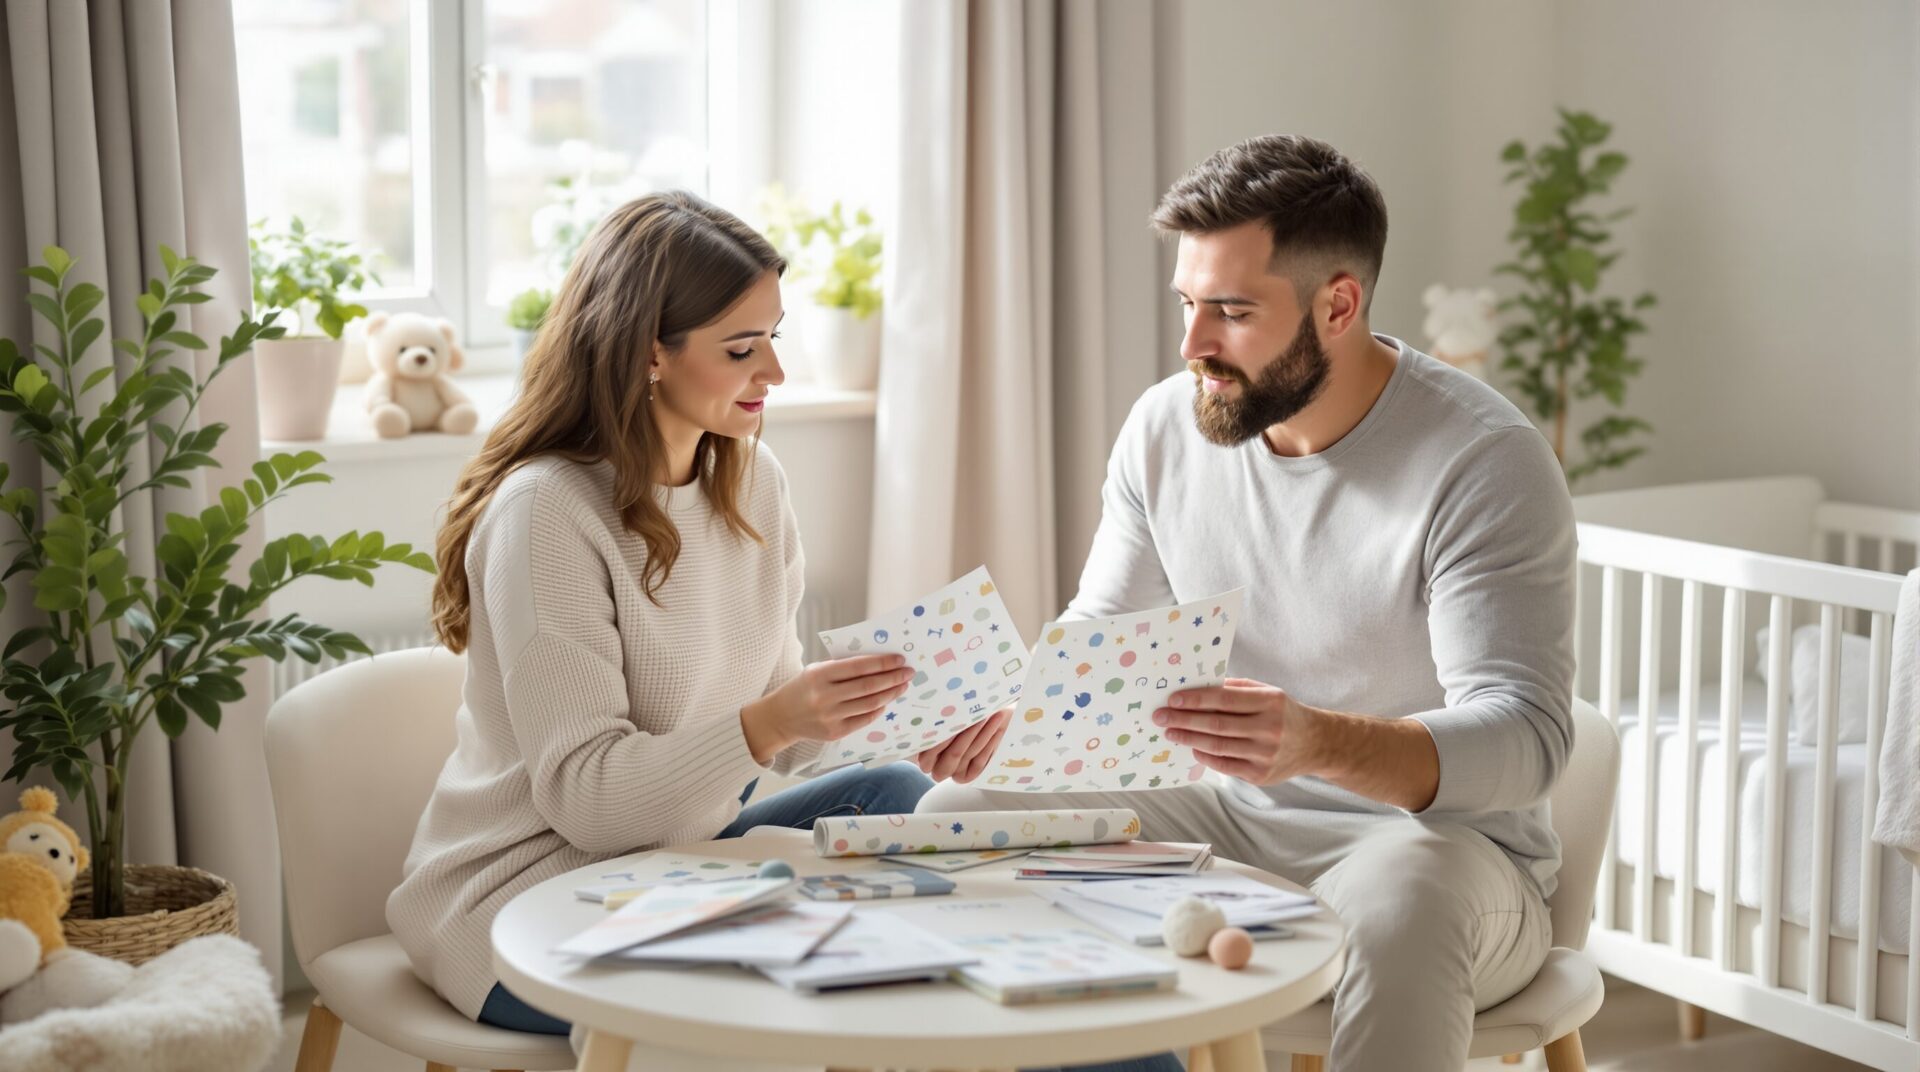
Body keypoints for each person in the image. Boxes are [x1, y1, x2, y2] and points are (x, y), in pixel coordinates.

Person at [915, 134, 1576, 1072]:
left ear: (1338, 304)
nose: (1192, 346)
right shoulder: (1163, 426)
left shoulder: (1484, 462)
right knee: (958, 809)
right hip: (1225, 815)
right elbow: (1103, 639)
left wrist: (1319, 741)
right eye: (1188, 305)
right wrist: (1013, 715)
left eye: (1230, 311)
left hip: (1437, 849)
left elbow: (1527, 741)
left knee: (1402, 904)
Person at [388, 192, 933, 1033]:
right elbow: (589, 804)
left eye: (773, 339)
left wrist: (918, 713)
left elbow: (788, 714)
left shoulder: (752, 481)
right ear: (650, 353)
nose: (775, 374)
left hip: (674, 862)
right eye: (742, 348)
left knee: (898, 790)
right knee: (824, 985)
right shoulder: (548, 512)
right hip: (523, 894)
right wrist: (765, 725)